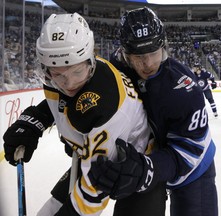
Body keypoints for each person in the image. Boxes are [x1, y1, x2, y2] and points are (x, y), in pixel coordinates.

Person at [2, 12, 166, 216]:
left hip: (138, 167)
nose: (68, 84)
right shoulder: (62, 71)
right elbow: (63, 102)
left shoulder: (108, 103)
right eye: (59, 75)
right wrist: (35, 120)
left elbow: (94, 191)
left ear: (90, 60)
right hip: (95, 157)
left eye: (77, 72)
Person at [88, 7, 218, 216]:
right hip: (148, 157)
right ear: (125, 53)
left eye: (153, 53)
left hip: (194, 171)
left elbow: (190, 149)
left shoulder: (184, 89)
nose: (147, 63)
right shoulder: (117, 67)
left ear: (163, 46)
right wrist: (41, 117)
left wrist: (148, 169)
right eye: (138, 56)